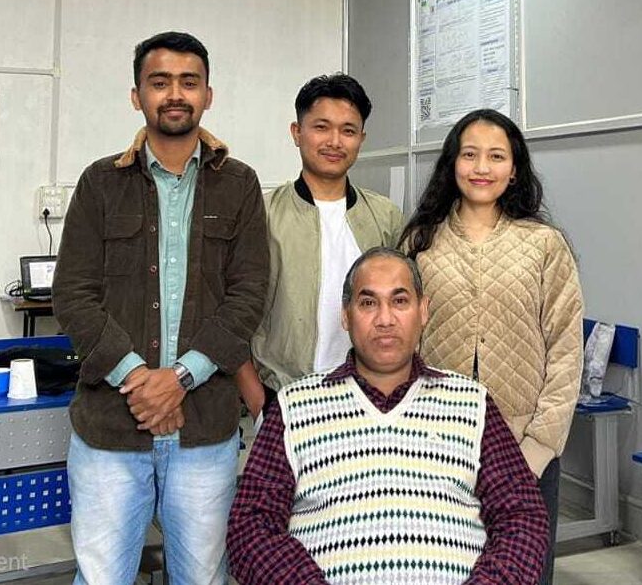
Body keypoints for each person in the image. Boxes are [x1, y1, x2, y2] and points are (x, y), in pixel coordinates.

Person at [53, 31, 269, 585]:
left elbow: (248, 296)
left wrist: (179, 379)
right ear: (137, 95)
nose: (175, 94)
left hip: (205, 431)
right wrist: (141, 381)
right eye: (160, 82)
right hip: (110, 430)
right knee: (102, 579)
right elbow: (72, 295)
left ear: (208, 94)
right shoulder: (100, 183)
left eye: (188, 82)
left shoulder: (239, 185)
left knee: (202, 577)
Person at [228, 247, 550, 585]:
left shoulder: (472, 402)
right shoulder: (295, 405)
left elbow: (522, 515)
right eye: (368, 303)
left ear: (423, 311)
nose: (385, 319)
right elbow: (250, 525)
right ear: (345, 316)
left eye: (400, 301)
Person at [398, 109, 584, 585]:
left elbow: (565, 348)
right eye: (470, 155)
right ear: (452, 163)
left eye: (496, 156)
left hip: (526, 446)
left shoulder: (543, 245)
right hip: (434, 442)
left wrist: (540, 445)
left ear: (515, 168)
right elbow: (398, 341)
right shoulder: (420, 241)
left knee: (522, 571)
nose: (482, 167)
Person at [252, 73, 404, 396]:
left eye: (348, 131)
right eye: (321, 127)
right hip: (285, 394)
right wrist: (258, 401)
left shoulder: (385, 216)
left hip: (370, 393)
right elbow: (237, 310)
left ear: (361, 138)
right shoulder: (263, 214)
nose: (335, 142)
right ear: (297, 132)